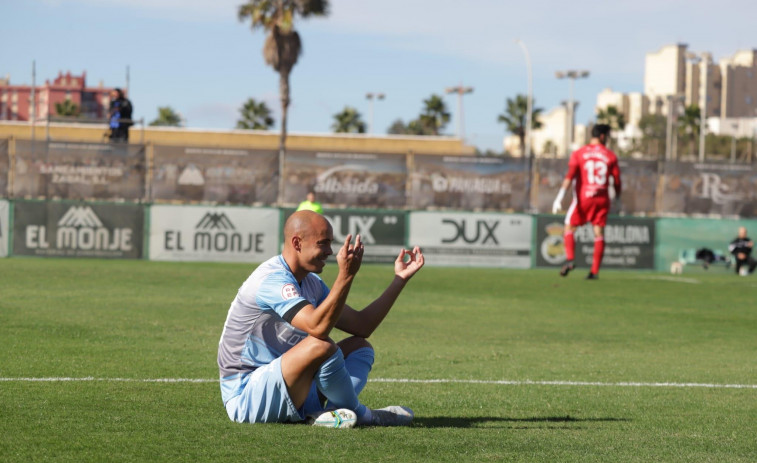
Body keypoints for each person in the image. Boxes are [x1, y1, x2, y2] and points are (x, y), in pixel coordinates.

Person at [217, 210, 425, 428]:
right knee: (320, 344)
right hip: (247, 395)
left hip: (291, 385)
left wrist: (399, 280)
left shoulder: (311, 282)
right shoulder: (272, 280)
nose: (330, 251)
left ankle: (328, 414)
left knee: (359, 346)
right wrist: (345, 276)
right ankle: (363, 415)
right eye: (323, 243)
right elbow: (318, 328)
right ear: (297, 243)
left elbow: (362, 326)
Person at [552, 124, 622, 280]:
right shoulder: (610, 155)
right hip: (602, 199)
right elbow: (617, 181)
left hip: (583, 198)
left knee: (569, 227)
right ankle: (594, 272)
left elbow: (570, 175)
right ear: (603, 137)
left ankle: (570, 259)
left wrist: (559, 197)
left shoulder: (579, 153)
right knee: (599, 233)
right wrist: (618, 199)